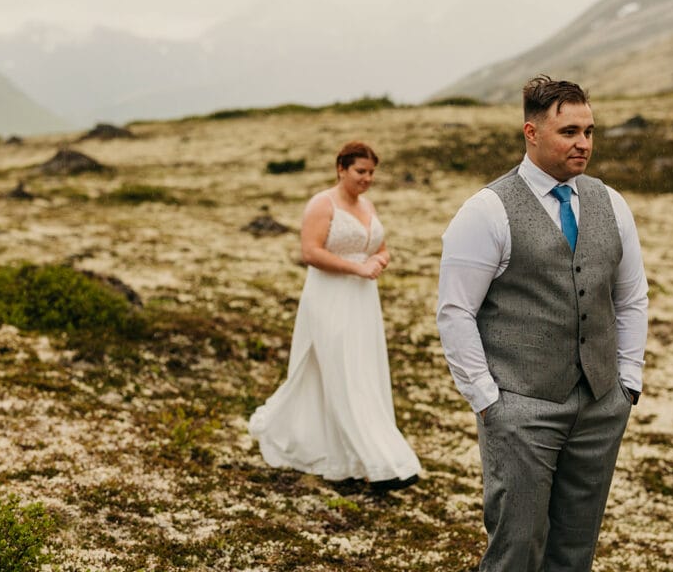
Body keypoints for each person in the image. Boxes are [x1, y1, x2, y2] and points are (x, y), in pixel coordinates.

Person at [436, 75, 648, 571]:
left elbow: (631, 297)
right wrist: (488, 401)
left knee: (576, 550)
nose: (583, 143)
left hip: (600, 406)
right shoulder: (487, 210)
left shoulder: (611, 203)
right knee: (517, 548)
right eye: (569, 131)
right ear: (531, 133)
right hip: (520, 408)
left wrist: (627, 384)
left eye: (589, 132)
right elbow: (455, 311)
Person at [249, 141, 421, 490]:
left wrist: (379, 260)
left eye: (371, 172)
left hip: (363, 301)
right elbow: (310, 252)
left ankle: (363, 458)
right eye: (360, 171)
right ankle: (375, 463)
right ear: (341, 169)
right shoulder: (321, 204)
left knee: (365, 371)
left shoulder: (368, 205)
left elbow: (380, 248)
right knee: (343, 372)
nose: (367, 179)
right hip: (329, 297)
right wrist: (357, 268)